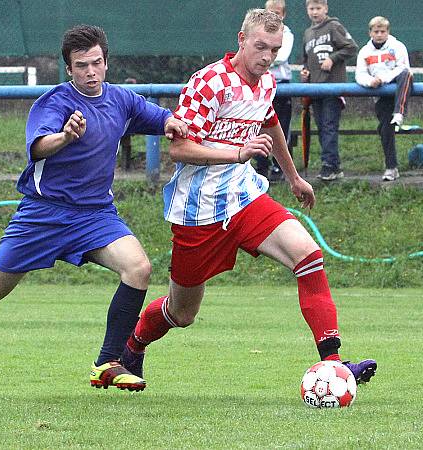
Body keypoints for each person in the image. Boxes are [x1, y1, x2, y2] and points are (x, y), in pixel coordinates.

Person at [119, 9, 377, 388]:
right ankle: (133, 347)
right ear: (241, 40)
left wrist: (293, 177)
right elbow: (179, 150)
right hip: (198, 209)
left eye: (274, 49)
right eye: (260, 47)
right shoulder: (209, 82)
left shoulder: (266, 82)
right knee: (182, 312)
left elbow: (269, 121)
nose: (267, 57)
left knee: (308, 256)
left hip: (244, 197)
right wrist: (236, 153)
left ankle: (335, 364)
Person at [0, 25, 187, 392]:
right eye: (82, 65)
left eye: (97, 63)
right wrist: (66, 136)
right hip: (43, 215)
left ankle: (108, 362)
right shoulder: (55, 102)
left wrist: (173, 123)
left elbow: (157, 116)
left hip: (95, 216)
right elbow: (39, 146)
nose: (91, 71)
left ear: (106, 62)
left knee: (138, 268)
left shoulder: (121, 99)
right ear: (69, 69)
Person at [300, 0, 358, 181]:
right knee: (321, 126)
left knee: (329, 126)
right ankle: (331, 163)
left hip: (333, 86)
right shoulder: (307, 33)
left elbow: (351, 47)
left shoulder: (334, 26)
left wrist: (333, 58)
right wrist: (305, 72)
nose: (315, 12)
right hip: (315, 88)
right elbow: (306, 59)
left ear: (325, 8)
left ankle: (330, 165)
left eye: (318, 8)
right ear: (307, 10)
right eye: (311, 9)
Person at [355, 16, 413, 182]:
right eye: (376, 31)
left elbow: (403, 68)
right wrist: (371, 81)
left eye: (383, 31)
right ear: (370, 33)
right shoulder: (365, 52)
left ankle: (399, 113)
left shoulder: (397, 46)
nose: (379, 34)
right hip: (380, 94)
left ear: (388, 32)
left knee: (407, 75)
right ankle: (391, 167)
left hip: (397, 87)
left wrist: (384, 78)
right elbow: (360, 74)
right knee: (386, 129)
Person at [255, 0, 294, 182]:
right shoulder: (256, 32)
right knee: (257, 126)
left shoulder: (287, 34)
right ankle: (261, 165)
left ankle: (280, 168)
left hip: (281, 86)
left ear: (283, 15)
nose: (274, 16)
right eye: (270, 12)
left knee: (281, 127)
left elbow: (282, 56)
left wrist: (262, 52)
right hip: (260, 84)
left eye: (277, 13)